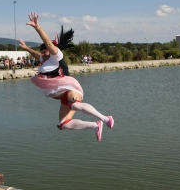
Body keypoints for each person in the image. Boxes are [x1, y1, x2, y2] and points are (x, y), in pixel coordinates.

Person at [19, 12, 114, 141]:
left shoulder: (56, 56)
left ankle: (105, 118)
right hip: (63, 96)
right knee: (63, 124)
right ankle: (95, 126)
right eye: (42, 53)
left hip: (71, 89)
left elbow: (48, 44)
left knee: (74, 105)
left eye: (45, 52)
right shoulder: (44, 59)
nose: (43, 55)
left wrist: (37, 27)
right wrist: (26, 48)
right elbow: (36, 54)